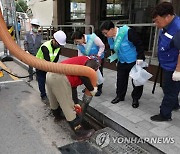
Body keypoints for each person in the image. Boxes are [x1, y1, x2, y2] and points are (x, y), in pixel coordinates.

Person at [46, 56, 98, 140]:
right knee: (67, 106)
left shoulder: (78, 62)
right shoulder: (92, 61)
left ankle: (57, 116)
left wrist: (75, 102)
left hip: (50, 74)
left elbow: (73, 87)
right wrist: (92, 89)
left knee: (54, 100)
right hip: (59, 78)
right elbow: (83, 74)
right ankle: (79, 132)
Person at [100, 20, 145, 108]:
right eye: (104, 34)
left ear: (112, 29)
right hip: (122, 61)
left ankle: (135, 98)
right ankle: (120, 96)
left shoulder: (128, 32)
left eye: (106, 33)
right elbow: (114, 49)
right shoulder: (110, 37)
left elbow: (139, 44)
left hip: (133, 60)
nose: (105, 35)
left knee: (136, 81)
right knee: (120, 80)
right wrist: (116, 60)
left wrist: (140, 58)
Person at [150, 2, 180, 122]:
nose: (156, 24)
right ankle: (174, 105)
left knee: (169, 90)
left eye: (157, 20)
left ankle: (165, 114)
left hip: (173, 66)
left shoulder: (177, 28)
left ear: (167, 16)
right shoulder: (168, 25)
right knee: (171, 89)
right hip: (167, 63)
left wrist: (178, 70)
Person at [36, 30, 66, 104]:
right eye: (59, 44)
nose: (59, 46)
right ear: (54, 40)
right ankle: (43, 95)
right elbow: (47, 61)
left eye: (60, 45)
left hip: (49, 65)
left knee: (51, 80)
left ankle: (54, 95)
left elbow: (55, 58)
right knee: (42, 80)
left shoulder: (58, 47)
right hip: (40, 66)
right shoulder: (45, 47)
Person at [71, 30, 105, 96]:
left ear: (82, 37)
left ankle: (99, 89)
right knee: (88, 74)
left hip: (98, 58)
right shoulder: (79, 45)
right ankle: (89, 87)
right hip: (89, 60)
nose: (77, 43)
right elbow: (80, 55)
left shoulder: (93, 38)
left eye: (77, 41)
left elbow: (102, 46)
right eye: (75, 42)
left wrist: (98, 55)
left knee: (98, 73)